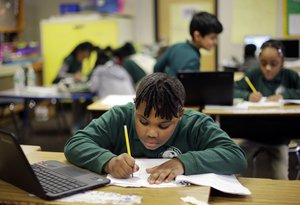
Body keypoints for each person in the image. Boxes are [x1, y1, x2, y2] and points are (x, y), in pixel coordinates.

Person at [64, 73, 247, 184]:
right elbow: (75, 143)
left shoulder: (195, 124)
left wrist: (182, 163)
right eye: (143, 121)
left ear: (180, 114)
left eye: (164, 125)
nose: (151, 133)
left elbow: (236, 156)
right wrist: (108, 161)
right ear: (135, 106)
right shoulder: (120, 116)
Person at [234, 39, 300, 179]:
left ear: (282, 62)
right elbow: (232, 89)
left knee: (281, 180)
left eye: (274, 64)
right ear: (259, 60)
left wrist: (284, 95)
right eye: (264, 63)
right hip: (252, 134)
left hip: (279, 138)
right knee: (234, 169)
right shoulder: (253, 74)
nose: (268, 68)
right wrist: (247, 95)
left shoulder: (290, 76)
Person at [153, 11, 223, 76]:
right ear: (197, 36)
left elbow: (157, 67)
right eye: (212, 38)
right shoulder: (192, 59)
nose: (215, 42)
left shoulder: (175, 46)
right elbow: (190, 87)